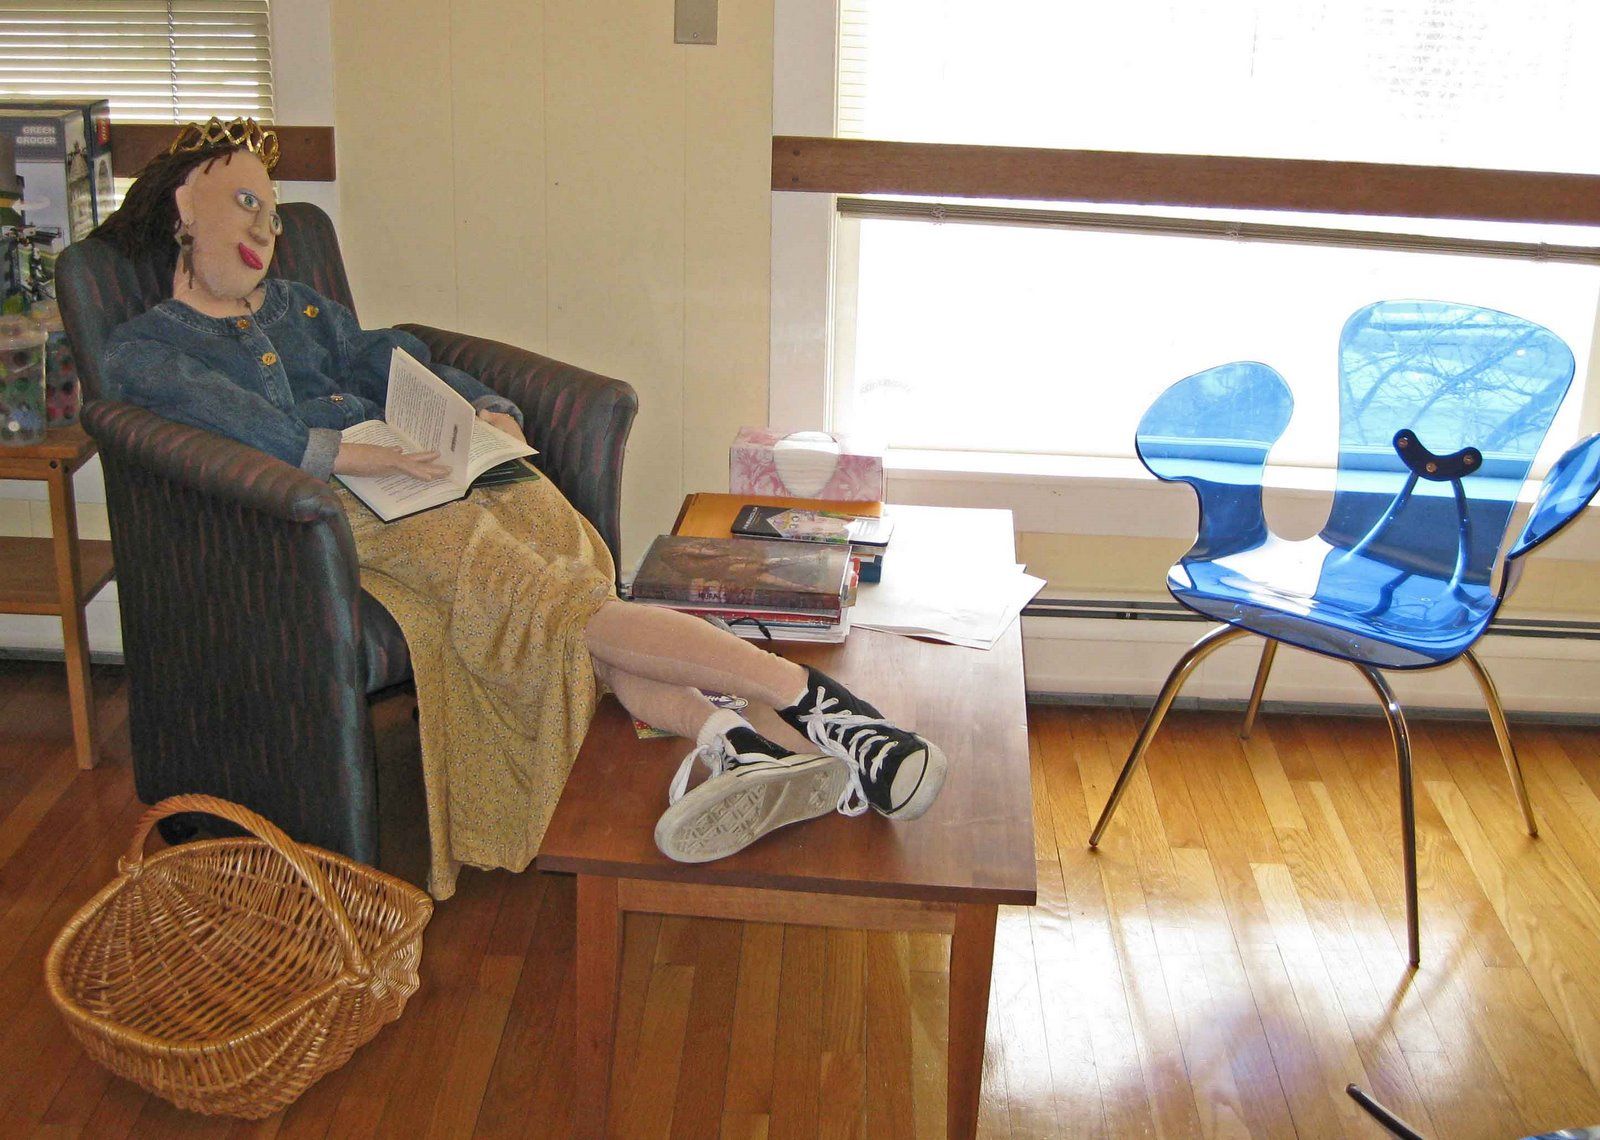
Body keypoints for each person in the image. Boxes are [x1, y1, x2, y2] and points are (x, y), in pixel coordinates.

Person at [94, 118, 947, 893]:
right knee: (558, 604)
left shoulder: (300, 307)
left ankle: (735, 745)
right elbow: (225, 418)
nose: (265, 230)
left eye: (274, 214)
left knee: (579, 579)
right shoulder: (149, 346)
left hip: (435, 463)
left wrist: (478, 405)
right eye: (245, 202)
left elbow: (386, 356)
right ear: (183, 205)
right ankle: (831, 714)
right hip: (355, 503)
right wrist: (347, 453)